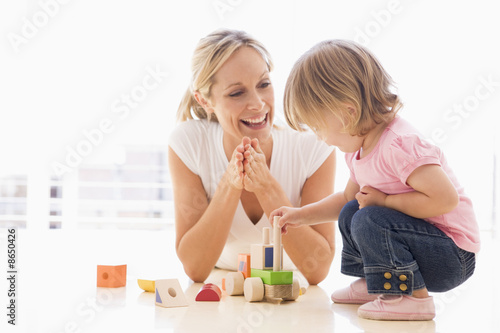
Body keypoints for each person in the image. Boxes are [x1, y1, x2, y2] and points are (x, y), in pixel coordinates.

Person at [270, 39, 480, 320]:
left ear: (348, 113)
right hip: (419, 246)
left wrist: (385, 201)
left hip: (452, 255)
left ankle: (415, 300)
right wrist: (300, 215)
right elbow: (346, 199)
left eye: (319, 127)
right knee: (353, 209)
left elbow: (445, 199)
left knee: (367, 217)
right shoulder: (358, 150)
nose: (320, 137)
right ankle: (376, 283)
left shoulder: (399, 145)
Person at [168, 29, 336, 284]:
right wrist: (230, 184)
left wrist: (267, 188)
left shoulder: (312, 145)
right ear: (205, 101)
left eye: (264, 84)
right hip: (225, 293)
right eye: (237, 93)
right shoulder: (189, 143)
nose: (258, 103)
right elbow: (195, 269)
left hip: (291, 292)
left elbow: (317, 270)